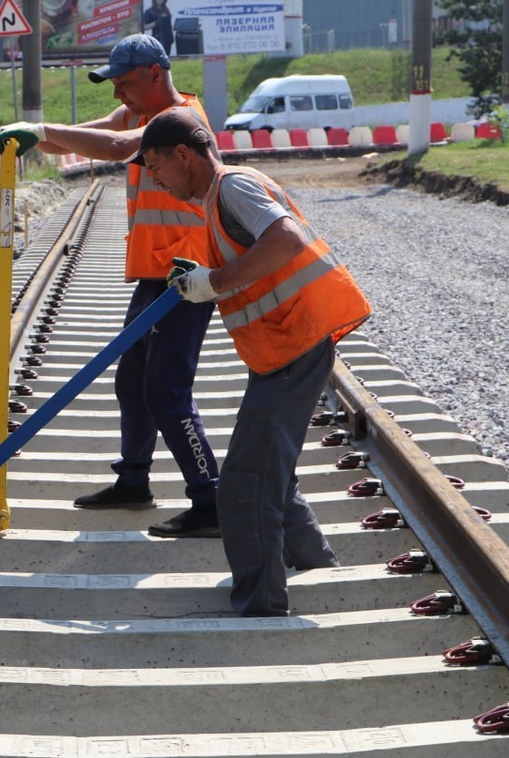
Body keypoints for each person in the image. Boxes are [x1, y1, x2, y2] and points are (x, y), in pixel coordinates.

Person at [131, 107, 372, 616]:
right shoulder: (218, 199)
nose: (154, 179)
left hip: (293, 345)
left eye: (156, 167)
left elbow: (285, 237)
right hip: (283, 347)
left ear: (183, 155)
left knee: (245, 480)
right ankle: (313, 562)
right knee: (272, 472)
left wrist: (213, 283)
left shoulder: (233, 186)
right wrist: (204, 276)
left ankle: (261, 602)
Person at [0, 34, 220, 539]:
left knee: (166, 389)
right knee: (132, 380)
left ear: (157, 74)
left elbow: (118, 149)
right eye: (115, 85)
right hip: (155, 274)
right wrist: (28, 136)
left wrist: (41, 127)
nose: (119, 95)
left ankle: (211, 500)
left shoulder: (181, 120)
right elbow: (75, 138)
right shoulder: (142, 116)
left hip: (186, 277)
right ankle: (134, 481)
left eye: (126, 84)